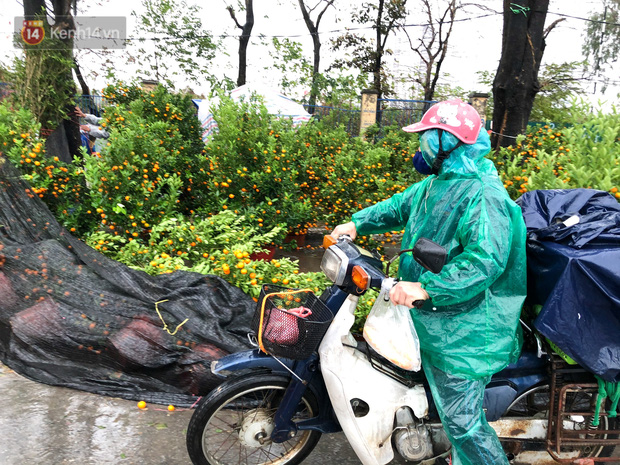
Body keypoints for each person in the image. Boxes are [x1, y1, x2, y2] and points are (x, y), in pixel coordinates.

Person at [330, 99, 527, 465]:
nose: (420, 145)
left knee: (463, 420)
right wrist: (358, 223)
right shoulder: (437, 184)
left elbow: (486, 260)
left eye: (426, 137)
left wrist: (428, 288)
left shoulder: (484, 195)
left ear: (446, 142)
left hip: (466, 325)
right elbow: (398, 206)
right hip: (435, 314)